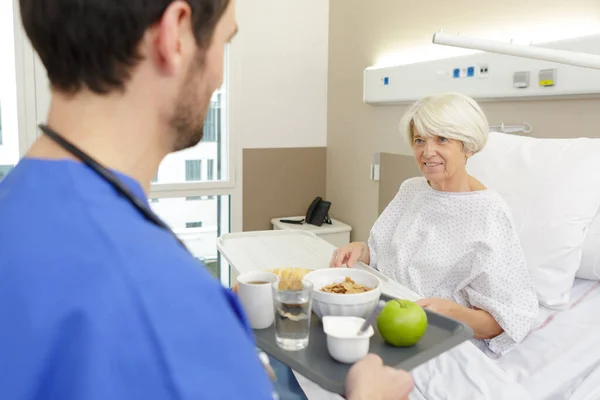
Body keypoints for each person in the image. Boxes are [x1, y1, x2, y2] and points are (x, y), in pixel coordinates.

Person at [0, 1, 413, 399]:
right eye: (225, 42)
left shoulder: (18, 203)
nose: (219, 76)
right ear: (175, 33)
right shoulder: (166, 306)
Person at [331, 92, 539, 356]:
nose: (427, 152)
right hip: (382, 317)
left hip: (437, 336)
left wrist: (454, 314)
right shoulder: (412, 189)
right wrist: (361, 250)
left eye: (441, 139)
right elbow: (386, 255)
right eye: (420, 140)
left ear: (468, 146)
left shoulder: (488, 212)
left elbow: (505, 319)